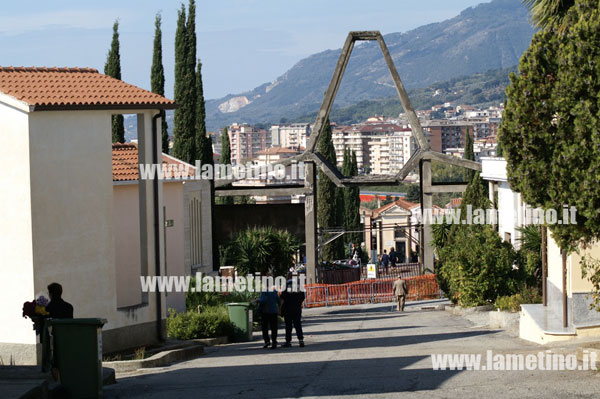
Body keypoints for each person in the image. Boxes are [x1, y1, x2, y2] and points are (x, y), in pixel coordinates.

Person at [280, 273, 305, 348]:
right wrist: (299, 303)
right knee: (298, 324)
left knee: (288, 326)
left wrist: (280, 308)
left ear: (288, 277)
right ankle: (301, 340)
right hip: (297, 309)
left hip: (288, 309)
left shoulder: (285, 286)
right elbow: (302, 297)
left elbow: (282, 298)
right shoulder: (299, 286)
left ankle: (288, 341)